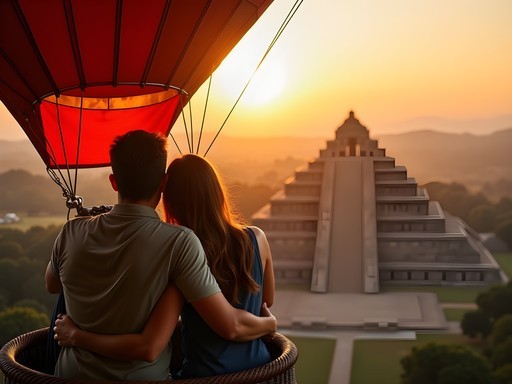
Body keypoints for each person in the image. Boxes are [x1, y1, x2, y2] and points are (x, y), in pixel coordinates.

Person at [46, 132, 276, 380]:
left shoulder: (70, 232)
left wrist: (78, 334)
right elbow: (242, 317)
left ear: (114, 182)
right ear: (163, 183)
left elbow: (52, 284)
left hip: (69, 375)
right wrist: (270, 324)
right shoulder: (177, 243)